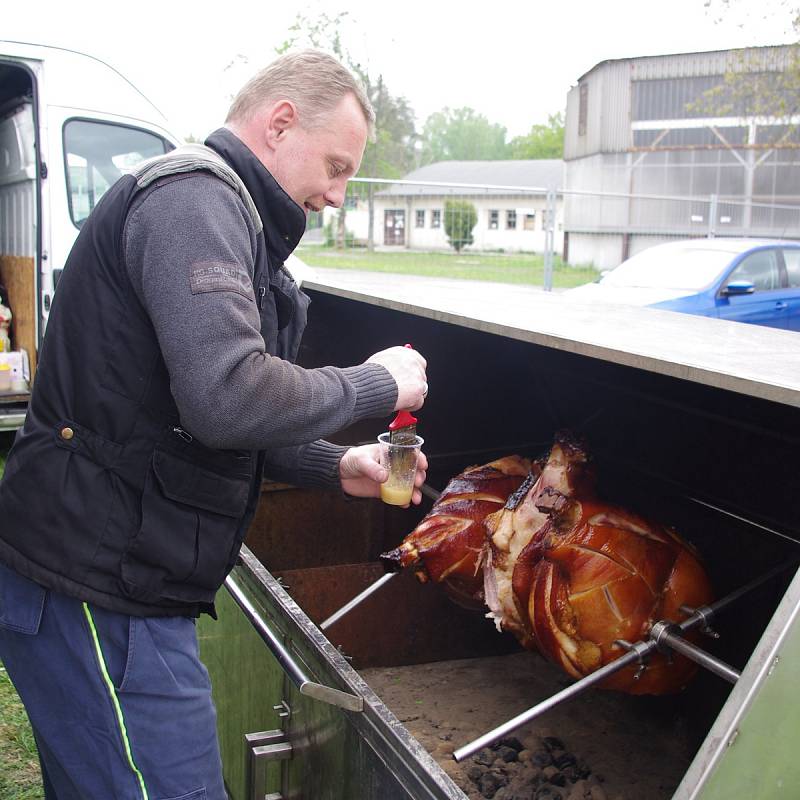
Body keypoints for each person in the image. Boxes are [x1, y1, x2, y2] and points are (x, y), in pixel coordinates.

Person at [0, 49, 428, 800]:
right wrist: (375, 383)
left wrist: (338, 463)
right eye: (335, 166)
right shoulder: (194, 202)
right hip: (97, 587)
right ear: (280, 122)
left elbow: (209, 419)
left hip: (118, 578)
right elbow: (227, 396)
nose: (336, 193)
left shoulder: (231, 218)